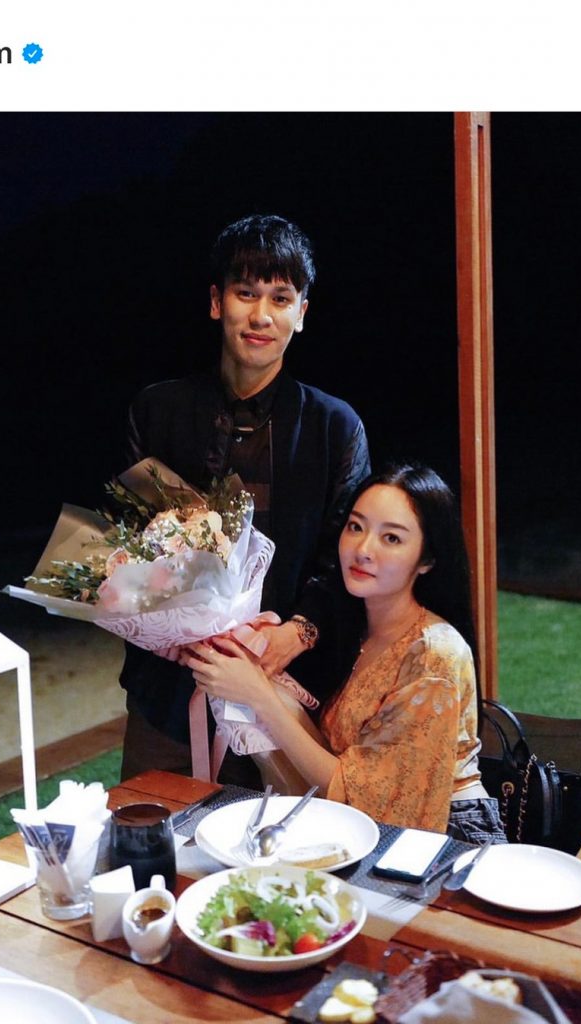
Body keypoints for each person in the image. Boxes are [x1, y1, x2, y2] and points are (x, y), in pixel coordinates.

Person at [118, 214, 370, 785]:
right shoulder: (157, 411)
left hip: (284, 698)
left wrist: (296, 633)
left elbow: (347, 560)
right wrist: (172, 632)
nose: (261, 315)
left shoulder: (335, 427)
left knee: (280, 837)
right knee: (148, 830)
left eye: (281, 298)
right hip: (167, 694)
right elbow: (128, 546)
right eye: (246, 293)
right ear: (217, 302)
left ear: (301, 313)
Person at [185, 463, 507, 842]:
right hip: (363, 829)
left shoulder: (434, 654)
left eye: (391, 538)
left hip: (444, 838)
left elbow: (373, 803)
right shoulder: (357, 626)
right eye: (356, 527)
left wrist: (257, 694)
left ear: (427, 560)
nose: (363, 549)